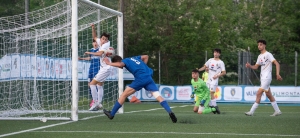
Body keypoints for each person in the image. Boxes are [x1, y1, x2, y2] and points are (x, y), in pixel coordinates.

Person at [102, 55, 177, 123]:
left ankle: (111, 114)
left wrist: (109, 63)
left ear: (118, 61)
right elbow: (146, 56)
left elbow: (120, 64)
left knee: (123, 95)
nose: (118, 67)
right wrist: (143, 66)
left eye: (116, 65)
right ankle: (170, 112)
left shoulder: (124, 61)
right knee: (158, 96)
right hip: (148, 77)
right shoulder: (134, 58)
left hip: (141, 78)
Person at [244, 40, 282, 116]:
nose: (259, 46)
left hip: (267, 77)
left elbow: (277, 63)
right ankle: (277, 111)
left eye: (261, 45)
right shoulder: (260, 56)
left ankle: (251, 112)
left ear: (264, 45)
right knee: (269, 95)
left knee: (259, 93)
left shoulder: (268, 54)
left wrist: (277, 74)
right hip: (263, 78)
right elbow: (256, 67)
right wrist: (250, 66)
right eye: (258, 45)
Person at [84, 24, 111, 111]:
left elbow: (99, 54)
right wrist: (93, 28)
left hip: (105, 69)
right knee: (99, 85)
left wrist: (89, 53)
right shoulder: (101, 41)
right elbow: (95, 37)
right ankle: (99, 103)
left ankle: (95, 102)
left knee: (92, 84)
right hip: (105, 68)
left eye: (106, 40)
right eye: (103, 39)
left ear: (107, 41)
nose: (104, 40)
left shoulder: (105, 46)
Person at [198, 48, 226, 114]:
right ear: (213, 53)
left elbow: (224, 72)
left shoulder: (220, 62)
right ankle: (213, 107)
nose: (216, 54)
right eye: (215, 52)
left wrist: (217, 75)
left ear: (219, 54)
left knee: (211, 93)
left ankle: (214, 107)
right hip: (208, 80)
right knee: (208, 94)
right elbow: (204, 67)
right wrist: (198, 70)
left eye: (217, 52)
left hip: (214, 80)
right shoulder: (210, 60)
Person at [78, 39, 100, 107]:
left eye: (96, 42)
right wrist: (82, 58)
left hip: (97, 69)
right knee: (89, 84)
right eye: (94, 42)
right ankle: (93, 99)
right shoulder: (92, 50)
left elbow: (97, 55)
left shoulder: (100, 50)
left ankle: (97, 101)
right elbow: (90, 58)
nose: (95, 43)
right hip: (91, 69)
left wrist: (89, 53)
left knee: (95, 84)